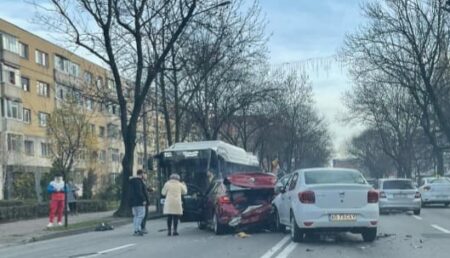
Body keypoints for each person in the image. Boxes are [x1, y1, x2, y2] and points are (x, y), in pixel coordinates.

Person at [129, 169, 149, 236]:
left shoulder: (132, 181)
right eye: (144, 174)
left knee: (136, 216)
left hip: (133, 201)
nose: (145, 175)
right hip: (139, 201)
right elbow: (139, 191)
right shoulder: (138, 181)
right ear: (141, 174)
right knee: (141, 215)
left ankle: (136, 229)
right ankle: (137, 230)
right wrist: (143, 199)